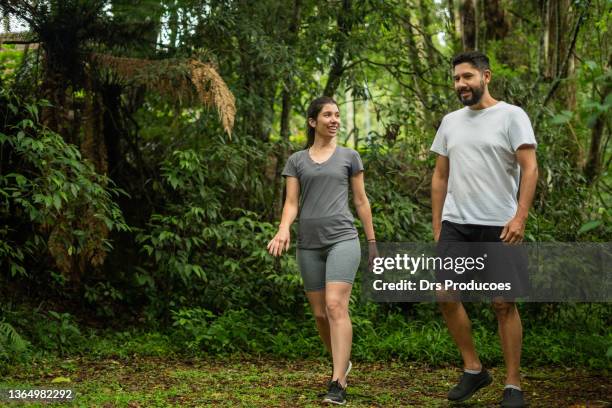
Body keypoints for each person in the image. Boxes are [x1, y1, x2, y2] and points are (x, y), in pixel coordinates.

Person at [430, 51, 538, 408]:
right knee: (445, 294)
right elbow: (440, 176)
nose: (461, 84)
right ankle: (474, 369)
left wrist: (520, 217)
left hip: (499, 225)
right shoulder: (450, 122)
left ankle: (512, 385)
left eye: (467, 77)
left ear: (486, 76)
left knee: (503, 303)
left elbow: (530, 168)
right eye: (456, 79)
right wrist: (438, 227)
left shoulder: (511, 116)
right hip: (456, 224)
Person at [267, 96, 377, 405]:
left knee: (334, 306)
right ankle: (340, 364)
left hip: (343, 238)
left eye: (337, 115)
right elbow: (291, 203)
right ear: (313, 122)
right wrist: (283, 228)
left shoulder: (349, 157)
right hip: (309, 244)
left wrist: (371, 243)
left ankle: (338, 382)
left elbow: (361, 201)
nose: (334, 119)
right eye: (327, 114)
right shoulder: (297, 161)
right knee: (319, 314)